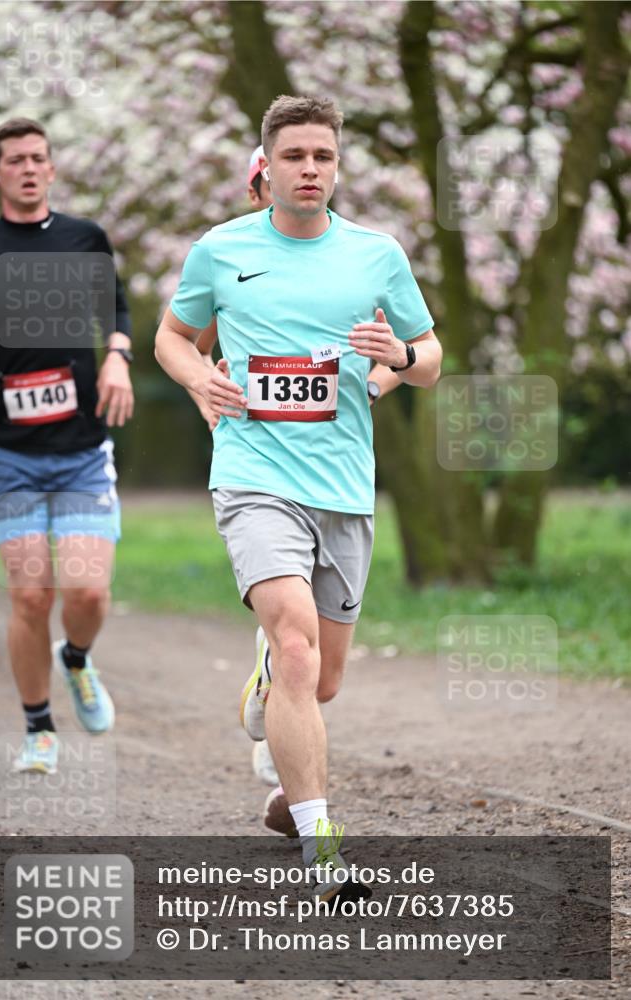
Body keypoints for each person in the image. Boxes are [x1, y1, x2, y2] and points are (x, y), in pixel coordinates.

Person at [155, 95, 442, 903]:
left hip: (343, 485)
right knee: (295, 644)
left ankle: (288, 790)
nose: (309, 169)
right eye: (294, 157)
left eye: (322, 156)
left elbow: (430, 356)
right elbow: (171, 337)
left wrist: (397, 358)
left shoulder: (375, 255)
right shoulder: (220, 251)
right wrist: (198, 377)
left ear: (336, 164)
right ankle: (325, 849)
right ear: (267, 165)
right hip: (252, 476)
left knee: (319, 682)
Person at [0, 118, 134, 775]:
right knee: (31, 596)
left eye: (39, 158)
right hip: (8, 453)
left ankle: (76, 658)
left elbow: (116, 311)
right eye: (15, 160)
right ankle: (38, 728)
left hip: (83, 450)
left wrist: (117, 360)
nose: (29, 168)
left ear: (52, 169)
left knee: (86, 594)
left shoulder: (83, 238)